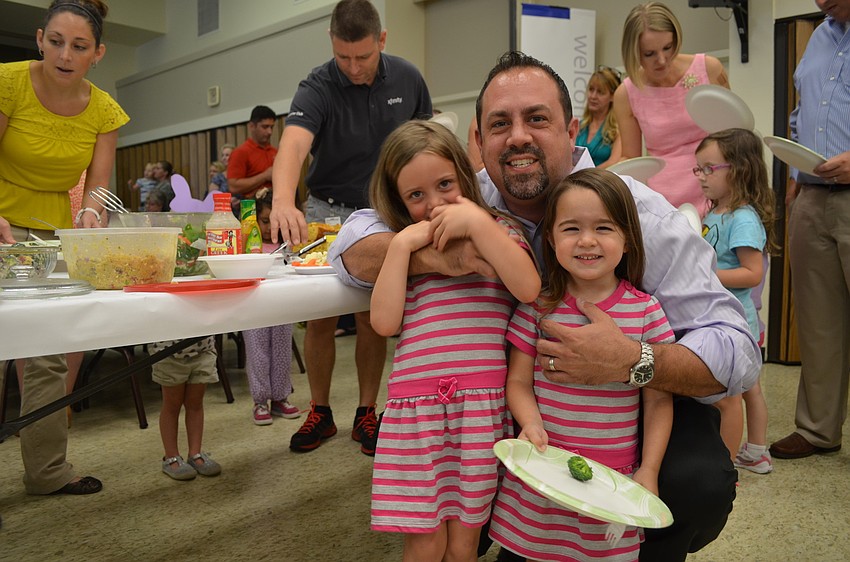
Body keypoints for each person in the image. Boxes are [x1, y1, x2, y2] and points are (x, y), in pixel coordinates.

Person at [329, 51, 760, 560]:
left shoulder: (636, 210)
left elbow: (736, 348)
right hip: (490, 407)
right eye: (499, 124)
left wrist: (634, 360)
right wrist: (435, 255)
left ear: (571, 128)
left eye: (536, 118)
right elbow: (351, 243)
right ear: (478, 139)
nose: (516, 137)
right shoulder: (460, 198)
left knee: (697, 481)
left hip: (618, 412)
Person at [367, 120, 540, 560]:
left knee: (464, 541)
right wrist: (402, 247)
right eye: (416, 196)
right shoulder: (408, 253)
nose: (434, 204)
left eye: (445, 184)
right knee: (424, 541)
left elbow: (528, 288)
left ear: (465, 176)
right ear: (400, 202)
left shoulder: (501, 234)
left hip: (480, 411)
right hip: (415, 416)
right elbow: (384, 322)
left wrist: (479, 223)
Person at [269, 0, 432, 456]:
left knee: (369, 316)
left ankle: (367, 412)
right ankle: (319, 410)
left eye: (363, 56)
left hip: (383, 210)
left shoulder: (408, 78)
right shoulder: (317, 85)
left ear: (381, 40)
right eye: (344, 57)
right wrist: (283, 200)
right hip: (327, 208)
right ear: (331, 43)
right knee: (319, 316)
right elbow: (294, 146)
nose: (354, 68)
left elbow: (426, 144)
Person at [489, 168, 674, 561]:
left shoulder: (646, 312)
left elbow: (657, 401)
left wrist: (650, 470)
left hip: (612, 482)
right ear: (551, 238)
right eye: (571, 228)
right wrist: (531, 422)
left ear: (627, 239)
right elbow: (519, 380)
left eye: (604, 228)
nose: (587, 240)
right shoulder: (537, 307)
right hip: (543, 471)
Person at [0, 0, 128, 496]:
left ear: (97, 53)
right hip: (4, 222)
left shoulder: (104, 110)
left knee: (48, 355)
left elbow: (96, 184)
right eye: (55, 41)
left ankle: (47, 472)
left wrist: (92, 213)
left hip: (50, 234)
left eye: (78, 46)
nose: (65, 54)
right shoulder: (8, 83)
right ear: (39, 39)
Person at [770, 0, 850, 461]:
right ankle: (819, 430)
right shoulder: (819, 37)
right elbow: (802, 114)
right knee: (819, 322)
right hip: (812, 195)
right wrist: (796, 176)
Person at [696, 128, 777, 473]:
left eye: (708, 169)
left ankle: (745, 456)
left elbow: (751, 273)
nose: (700, 177)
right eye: (697, 169)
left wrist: (704, 275)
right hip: (722, 318)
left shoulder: (742, 217)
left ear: (739, 169)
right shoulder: (716, 212)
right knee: (745, 389)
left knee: (742, 392)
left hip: (738, 322)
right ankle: (753, 450)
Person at [612, 1, 729, 213]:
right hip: (664, 201)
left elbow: (733, 136)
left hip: (716, 191)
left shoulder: (709, 69)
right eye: (650, 54)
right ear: (634, 53)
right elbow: (631, 157)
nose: (662, 60)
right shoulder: (626, 93)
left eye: (668, 47)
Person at [243, 188, 301, 426]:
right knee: (257, 354)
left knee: (282, 353)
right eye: (264, 221)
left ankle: (280, 397)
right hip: (253, 309)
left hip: (281, 308)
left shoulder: (287, 245)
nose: (268, 227)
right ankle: (259, 401)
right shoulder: (248, 245)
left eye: (273, 221)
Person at [152, 337, 222, 481]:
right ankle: (171, 457)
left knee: (195, 404)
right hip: (168, 352)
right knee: (172, 406)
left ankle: (195, 453)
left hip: (203, 349)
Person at [227, 105, 277, 200]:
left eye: (272, 127)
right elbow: (233, 186)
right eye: (265, 127)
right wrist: (264, 176)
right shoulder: (240, 152)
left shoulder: (275, 152)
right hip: (252, 209)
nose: (270, 132)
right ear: (252, 126)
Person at [577, 67, 623, 168]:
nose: (593, 96)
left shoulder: (618, 130)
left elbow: (613, 163)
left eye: (600, 92)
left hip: (602, 182)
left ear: (612, 96)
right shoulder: (579, 127)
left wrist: (585, 176)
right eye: (591, 89)